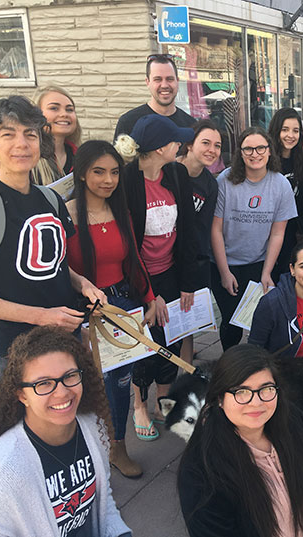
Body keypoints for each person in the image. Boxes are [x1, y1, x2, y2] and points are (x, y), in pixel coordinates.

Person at [0, 96, 103, 381]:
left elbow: (55, 265)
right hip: (16, 351)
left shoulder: (50, 199)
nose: (21, 144)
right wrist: (43, 317)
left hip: (65, 340)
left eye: (30, 134)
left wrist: (83, 284)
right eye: (8, 134)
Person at [0, 326, 132, 537]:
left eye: (70, 376)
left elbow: (103, 498)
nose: (62, 392)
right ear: (21, 395)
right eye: (43, 384)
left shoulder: (91, 426)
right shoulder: (1, 477)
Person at [178, 344, 303, 537]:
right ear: (219, 398)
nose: (256, 402)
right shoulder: (200, 472)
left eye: (266, 389)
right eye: (241, 391)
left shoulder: (293, 423)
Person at [66, 140, 157, 477]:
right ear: (82, 174)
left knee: (120, 379)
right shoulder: (66, 215)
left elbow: (134, 260)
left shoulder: (122, 212)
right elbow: (59, 269)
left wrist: (149, 298)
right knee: (84, 382)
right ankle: (81, 448)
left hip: (122, 304)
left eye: (115, 172)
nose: (108, 179)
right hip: (83, 309)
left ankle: (117, 445)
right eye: (99, 171)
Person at [115, 114, 198, 441]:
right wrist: (148, 294)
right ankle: (139, 404)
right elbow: (128, 246)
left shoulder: (176, 173)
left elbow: (189, 230)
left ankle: (165, 401)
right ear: (159, 147)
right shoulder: (126, 181)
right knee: (144, 347)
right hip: (138, 278)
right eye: (175, 140)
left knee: (170, 340)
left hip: (171, 274)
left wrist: (187, 283)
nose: (180, 144)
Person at [210, 126, 297, 350]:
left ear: (270, 151)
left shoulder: (281, 185)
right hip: (225, 262)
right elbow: (216, 230)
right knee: (231, 324)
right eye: (248, 148)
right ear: (240, 152)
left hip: (258, 262)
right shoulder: (225, 181)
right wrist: (224, 272)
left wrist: (267, 272)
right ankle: (231, 367)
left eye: (260, 148)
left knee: (259, 320)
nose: (254, 153)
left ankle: (257, 368)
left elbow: (278, 233)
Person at [177, 119, 221, 362]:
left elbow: (204, 229)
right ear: (190, 144)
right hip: (162, 258)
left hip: (191, 257)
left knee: (187, 322)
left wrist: (194, 273)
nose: (211, 150)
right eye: (205, 143)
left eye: (217, 145)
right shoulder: (170, 171)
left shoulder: (209, 184)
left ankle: (185, 372)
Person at [268, 108, 303, 279]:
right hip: (268, 228)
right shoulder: (266, 158)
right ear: (276, 130)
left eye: (295, 131)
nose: (290, 135)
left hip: (292, 230)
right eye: (285, 129)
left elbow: (302, 196)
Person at [113, 54, 195, 140]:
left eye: (169, 79)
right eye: (158, 79)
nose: (164, 85)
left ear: (177, 81)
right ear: (147, 82)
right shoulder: (128, 122)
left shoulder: (190, 125)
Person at [32, 85, 82, 185]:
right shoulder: (27, 160)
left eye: (69, 109)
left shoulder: (80, 156)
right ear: (36, 114)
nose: (64, 114)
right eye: (54, 108)